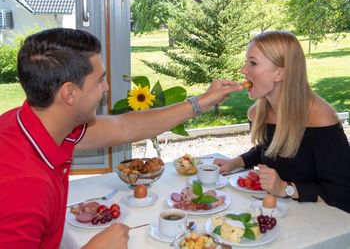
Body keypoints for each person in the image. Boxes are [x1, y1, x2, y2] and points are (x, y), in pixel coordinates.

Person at [0, 28, 243, 249]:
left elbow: (125, 127)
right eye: (99, 80)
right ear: (69, 93)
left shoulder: (31, 122)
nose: (105, 88)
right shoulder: (26, 185)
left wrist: (201, 102)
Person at [214, 30, 350, 213]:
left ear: (279, 73)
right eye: (246, 62)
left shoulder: (320, 118)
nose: (243, 70)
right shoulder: (257, 113)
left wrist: (286, 188)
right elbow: (268, 150)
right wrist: (236, 162)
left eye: (252, 63)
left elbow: (342, 191)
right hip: (277, 212)